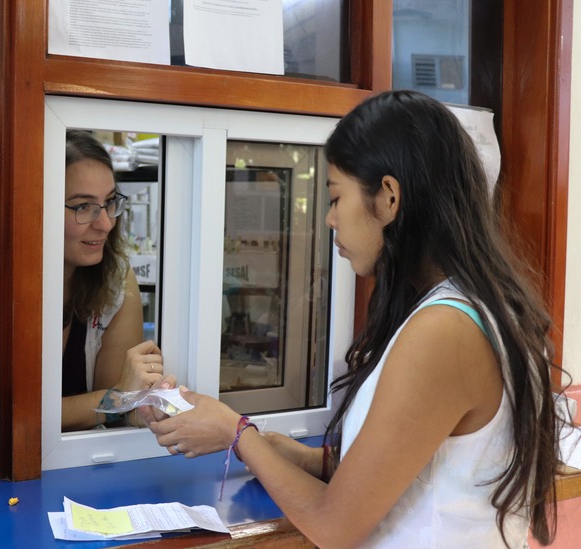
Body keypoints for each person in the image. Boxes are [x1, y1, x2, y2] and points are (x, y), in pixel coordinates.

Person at [146, 91, 563, 548]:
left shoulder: (445, 330)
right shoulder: (482, 307)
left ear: (388, 197)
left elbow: (335, 527)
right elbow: (435, 466)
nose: (329, 219)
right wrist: (305, 461)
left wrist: (236, 432)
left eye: (336, 196)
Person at [61, 129, 167, 431]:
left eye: (109, 202)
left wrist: (151, 407)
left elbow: (121, 403)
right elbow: (2, 417)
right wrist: (118, 399)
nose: (105, 223)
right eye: (83, 206)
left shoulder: (114, 278)